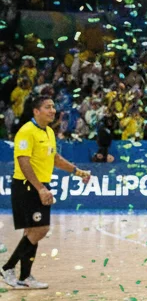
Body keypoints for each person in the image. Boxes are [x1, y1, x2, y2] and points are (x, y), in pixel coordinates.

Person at [2, 94, 92, 290]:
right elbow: (23, 161)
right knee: (41, 229)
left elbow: (55, 158)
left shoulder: (49, 132)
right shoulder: (26, 131)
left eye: (53, 106)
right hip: (27, 186)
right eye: (48, 107)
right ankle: (8, 267)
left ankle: (25, 276)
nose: (53, 110)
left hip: (40, 185)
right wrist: (40, 188)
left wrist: (78, 172)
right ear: (36, 111)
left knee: (32, 231)